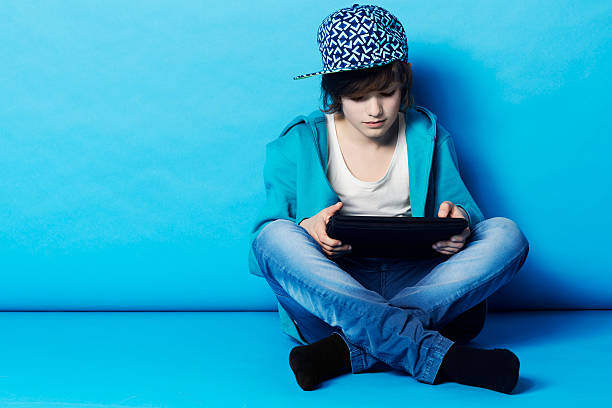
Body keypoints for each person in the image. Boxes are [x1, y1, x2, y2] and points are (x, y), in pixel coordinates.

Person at [248, 3, 529, 394]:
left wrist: (459, 223)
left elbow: (467, 214)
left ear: (405, 82)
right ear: (336, 93)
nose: (376, 110)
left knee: (506, 233)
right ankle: (438, 356)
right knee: (272, 237)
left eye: (387, 93)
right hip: (334, 296)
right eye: (359, 97)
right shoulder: (299, 141)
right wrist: (307, 229)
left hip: (425, 284)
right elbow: (263, 251)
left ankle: (347, 352)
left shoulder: (428, 134)